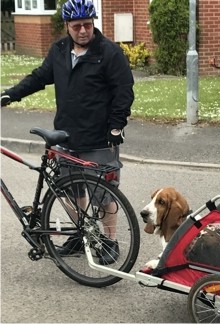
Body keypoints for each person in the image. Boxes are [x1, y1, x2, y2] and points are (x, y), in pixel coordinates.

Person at [1, 0, 134, 264]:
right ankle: (80, 235)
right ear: (67, 27)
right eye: (77, 26)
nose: (83, 30)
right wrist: (10, 94)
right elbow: (39, 77)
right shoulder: (60, 50)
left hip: (98, 137)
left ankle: (109, 241)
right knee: (71, 191)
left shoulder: (109, 53)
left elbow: (124, 91)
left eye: (87, 24)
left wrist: (117, 126)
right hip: (65, 134)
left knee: (104, 194)